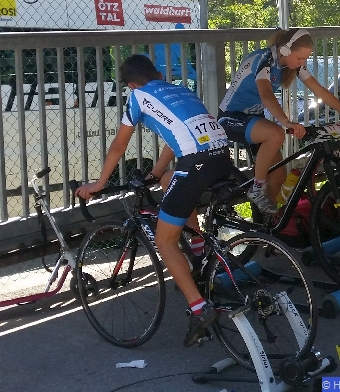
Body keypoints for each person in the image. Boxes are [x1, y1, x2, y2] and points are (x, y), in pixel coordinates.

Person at [76, 55, 232, 347]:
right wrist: (156, 173)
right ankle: (198, 251)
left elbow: (119, 145)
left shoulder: (138, 97)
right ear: (158, 74)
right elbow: (176, 138)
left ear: (131, 85)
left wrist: (98, 184)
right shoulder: (179, 89)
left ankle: (200, 309)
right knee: (169, 181)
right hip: (222, 158)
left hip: (196, 164)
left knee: (164, 241)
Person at [217, 28, 340, 216]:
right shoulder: (264, 60)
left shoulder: (290, 65)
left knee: (278, 175)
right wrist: (287, 122)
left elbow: (320, 92)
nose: (302, 63)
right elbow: (266, 95)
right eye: (300, 58)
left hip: (253, 118)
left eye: (305, 59)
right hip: (230, 117)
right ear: (285, 50)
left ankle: (274, 224)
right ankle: (256, 189)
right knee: (276, 133)